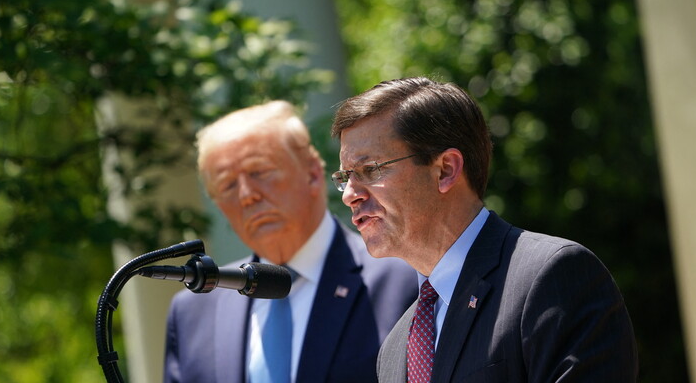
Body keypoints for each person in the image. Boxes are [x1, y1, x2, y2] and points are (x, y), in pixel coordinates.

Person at [330, 77, 638, 382]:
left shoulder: (552, 277)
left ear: (446, 170)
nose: (349, 195)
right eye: (345, 177)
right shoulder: (395, 349)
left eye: (370, 169)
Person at [163, 100, 417, 383]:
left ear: (312, 173)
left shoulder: (404, 279)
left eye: (259, 172)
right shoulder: (192, 313)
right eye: (228, 185)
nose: (247, 195)